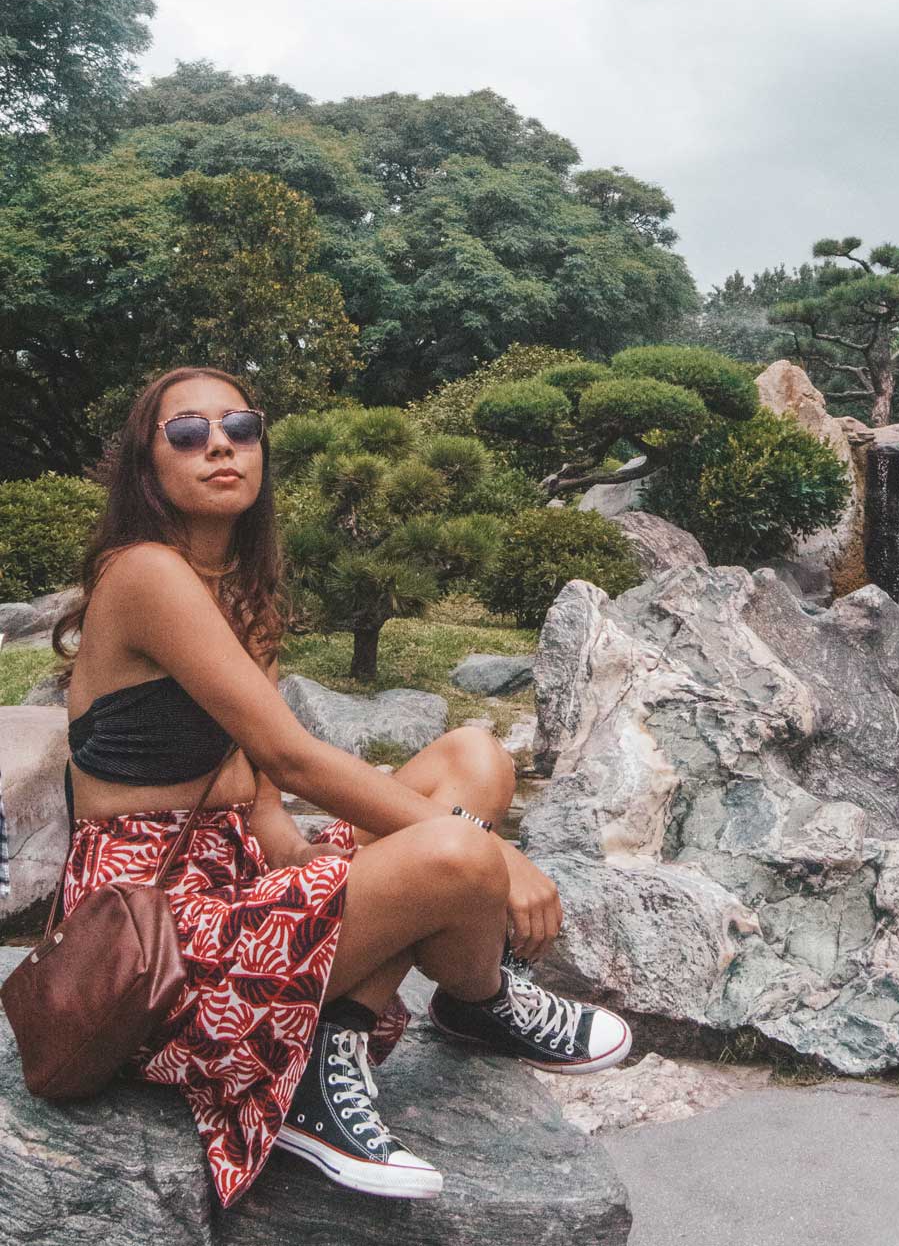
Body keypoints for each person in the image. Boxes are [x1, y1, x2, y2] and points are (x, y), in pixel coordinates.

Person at [52, 365, 631, 1209]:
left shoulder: (241, 593)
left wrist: (294, 846)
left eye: (240, 427)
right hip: (152, 934)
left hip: (238, 872)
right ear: (151, 468)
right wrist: (493, 860)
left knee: (476, 758)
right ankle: (469, 998)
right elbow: (293, 755)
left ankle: (354, 1032)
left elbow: (258, 781)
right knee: (454, 855)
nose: (219, 444)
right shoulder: (146, 573)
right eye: (187, 433)